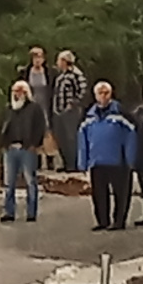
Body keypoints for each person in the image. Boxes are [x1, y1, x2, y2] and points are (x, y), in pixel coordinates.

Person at [75, 81, 138, 231]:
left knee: (121, 193)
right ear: (95, 95)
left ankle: (119, 221)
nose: (103, 96)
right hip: (97, 161)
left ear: (111, 94)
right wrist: (82, 162)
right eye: (100, 93)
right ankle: (102, 221)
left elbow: (131, 136)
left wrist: (130, 159)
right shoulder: (88, 116)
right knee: (99, 194)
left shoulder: (121, 113)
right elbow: (82, 140)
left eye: (106, 93)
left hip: (118, 161)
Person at [0, 78, 48, 223]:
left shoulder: (34, 108)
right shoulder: (8, 109)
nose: (17, 94)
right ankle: (9, 212)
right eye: (15, 91)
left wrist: (34, 144)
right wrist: (3, 144)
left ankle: (32, 213)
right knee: (9, 183)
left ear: (26, 93)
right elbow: (0, 127)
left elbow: (40, 127)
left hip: (27, 149)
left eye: (20, 91)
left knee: (30, 181)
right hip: (10, 150)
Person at [44, 50, 91, 195]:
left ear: (65, 61)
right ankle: (66, 163)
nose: (57, 63)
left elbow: (83, 91)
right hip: (59, 111)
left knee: (71, 137)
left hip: (70, 112)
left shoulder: (76, 74)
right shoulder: (61, 76)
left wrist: (73, 104)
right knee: (62, 137)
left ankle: (75, 164)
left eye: (59, 60)